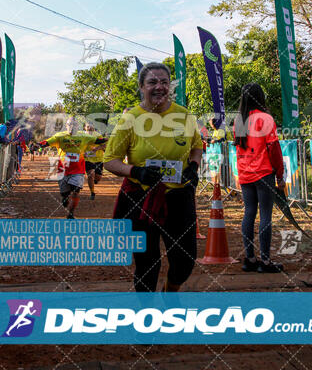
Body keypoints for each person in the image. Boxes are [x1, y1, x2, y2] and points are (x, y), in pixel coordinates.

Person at [103, 62, 202, 292]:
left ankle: (171, 290)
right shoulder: (130, 119)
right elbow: (110, 160)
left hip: (179, 197)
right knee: (147, 263)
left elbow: (197, 145)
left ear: (170, 87)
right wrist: (135, 171)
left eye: (164, 82)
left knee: (185, 259)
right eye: (152, 82)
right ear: (141, 87)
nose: (159, 87)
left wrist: (194, 166)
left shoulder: (183, 115)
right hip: (141, 199)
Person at [233, 83, 285, 273]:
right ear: (260, 97)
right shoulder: (265, 119)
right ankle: (265, 261)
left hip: (246, 174)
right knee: (265, 215)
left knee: (249, 213)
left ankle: (250, 259)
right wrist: (280, 175)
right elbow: (274, 150)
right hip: (263, 173)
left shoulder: (238, 121)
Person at [37, 119, 107, 219]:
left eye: (74, 125)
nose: (72, 127)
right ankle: (65, 198)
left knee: (76, 191)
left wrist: (109, 139)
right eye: (70, 124)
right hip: (63, 170)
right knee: (64, 194)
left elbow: (98, 141)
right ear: (66, 125)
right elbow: (46, 142)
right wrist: (38, 145)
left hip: (78, 169)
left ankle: (71, 213)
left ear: (78, 127)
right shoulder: (60, 136)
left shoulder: (84, 137)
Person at [83, 123, 106, 201]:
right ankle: (92, 192)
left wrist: (97, 148)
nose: (89, 128)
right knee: (90, 174)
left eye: (91, 126)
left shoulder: (98, 135)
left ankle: (95, 180)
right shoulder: (82, 136)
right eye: (88, 126)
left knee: (98, 177)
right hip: (87, 159)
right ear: (85, 127)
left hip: (98, 159)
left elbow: (105, 145)